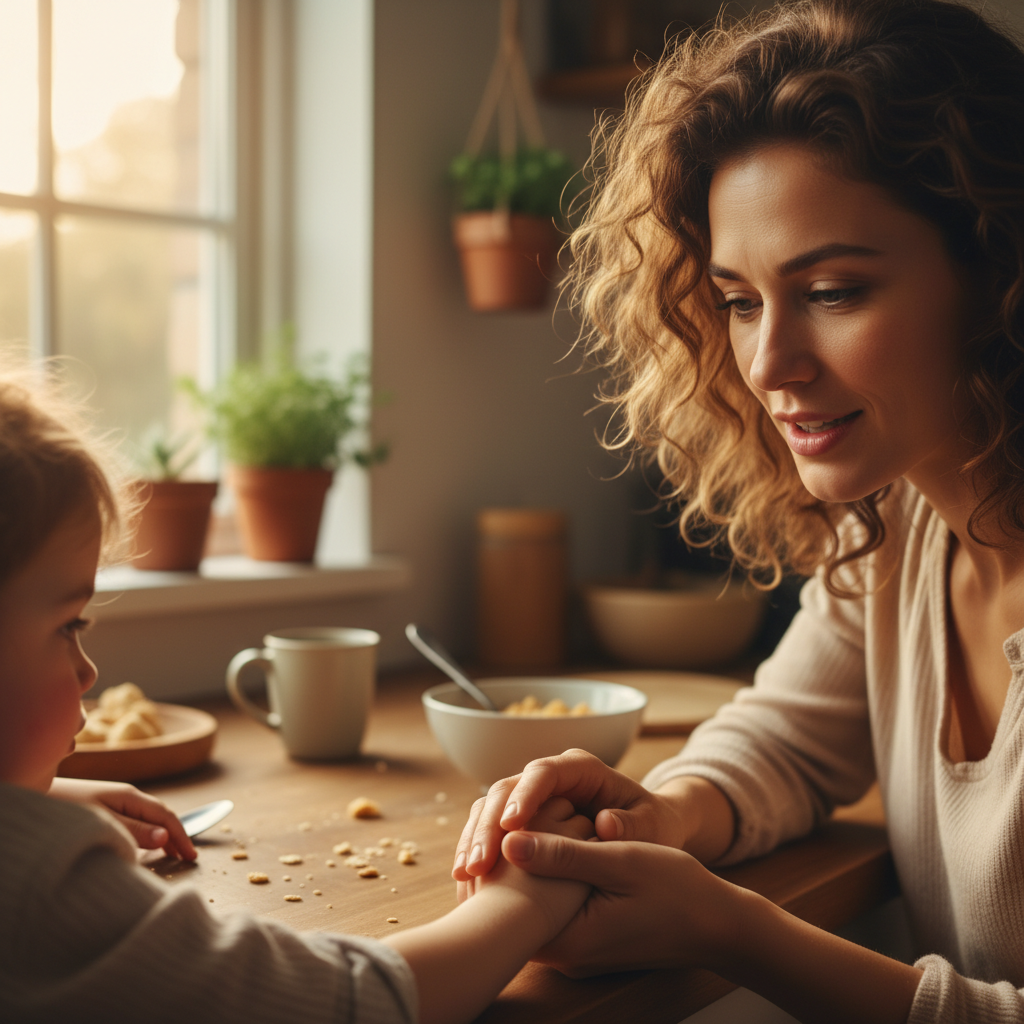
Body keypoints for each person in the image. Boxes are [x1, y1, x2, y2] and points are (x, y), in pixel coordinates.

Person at [453, 0, 1024, 1020]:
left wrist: (727, 926)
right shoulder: (900, 531)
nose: (768, 365)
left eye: (835, 289)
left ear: (998, 273)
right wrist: (663, 811)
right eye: (739, 299)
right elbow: (791, 740)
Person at [0, 363, 593, 1024]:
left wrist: (46, 799)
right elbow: (351, 1002)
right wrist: (523, 905)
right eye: (68, 625)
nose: (87, 672)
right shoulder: (41, 886)